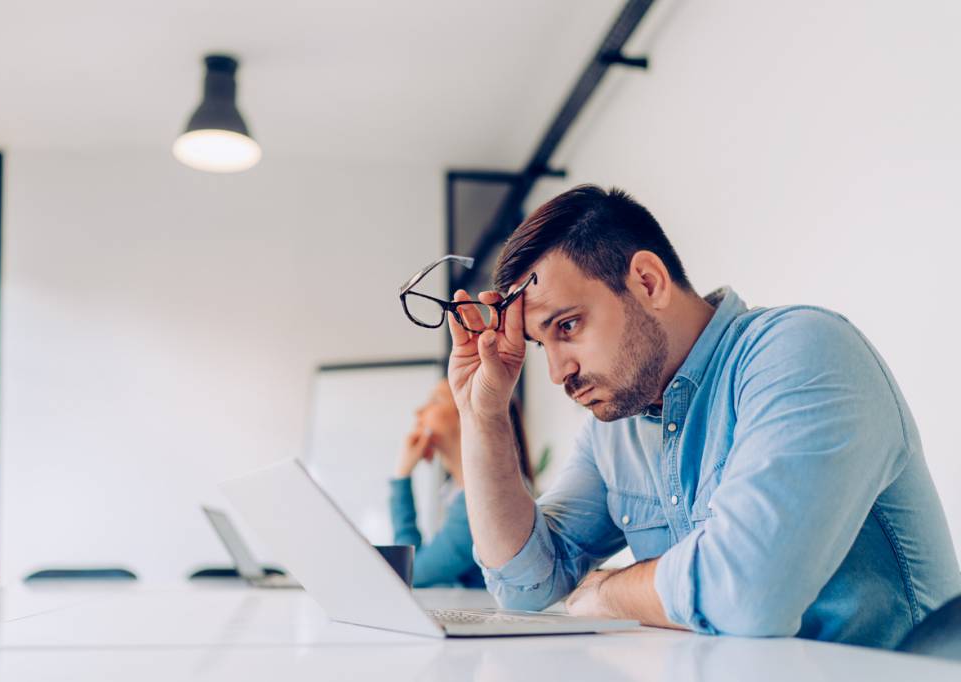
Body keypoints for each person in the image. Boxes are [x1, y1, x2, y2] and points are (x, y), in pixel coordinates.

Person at [443, 184, 961, 648]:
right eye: (541, 344)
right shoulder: (616, 429)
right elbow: (525, 585)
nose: (558, 372)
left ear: (647, 282)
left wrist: (607, 590)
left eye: (569, 326)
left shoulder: (802, 350)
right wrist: (482, 415)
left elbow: (747, 593)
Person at [389, 379, 533, 588]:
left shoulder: (488, 499)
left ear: (467, 415)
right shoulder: (456, 493)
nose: (419, 411)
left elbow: (411, 572)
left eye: (435, 400)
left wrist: (402, 477)